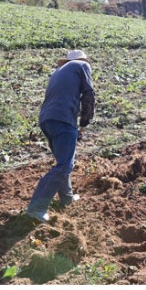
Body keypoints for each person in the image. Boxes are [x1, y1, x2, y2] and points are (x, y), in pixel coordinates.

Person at [28, 48, 96, 216]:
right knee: (65, 165)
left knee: (63, 162)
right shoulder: (82, 66)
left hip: (46, 119)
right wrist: (84, 122)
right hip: (64, 118)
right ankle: (37, 207)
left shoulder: (58, 72)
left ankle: (67, 198)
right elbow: (88, 94)